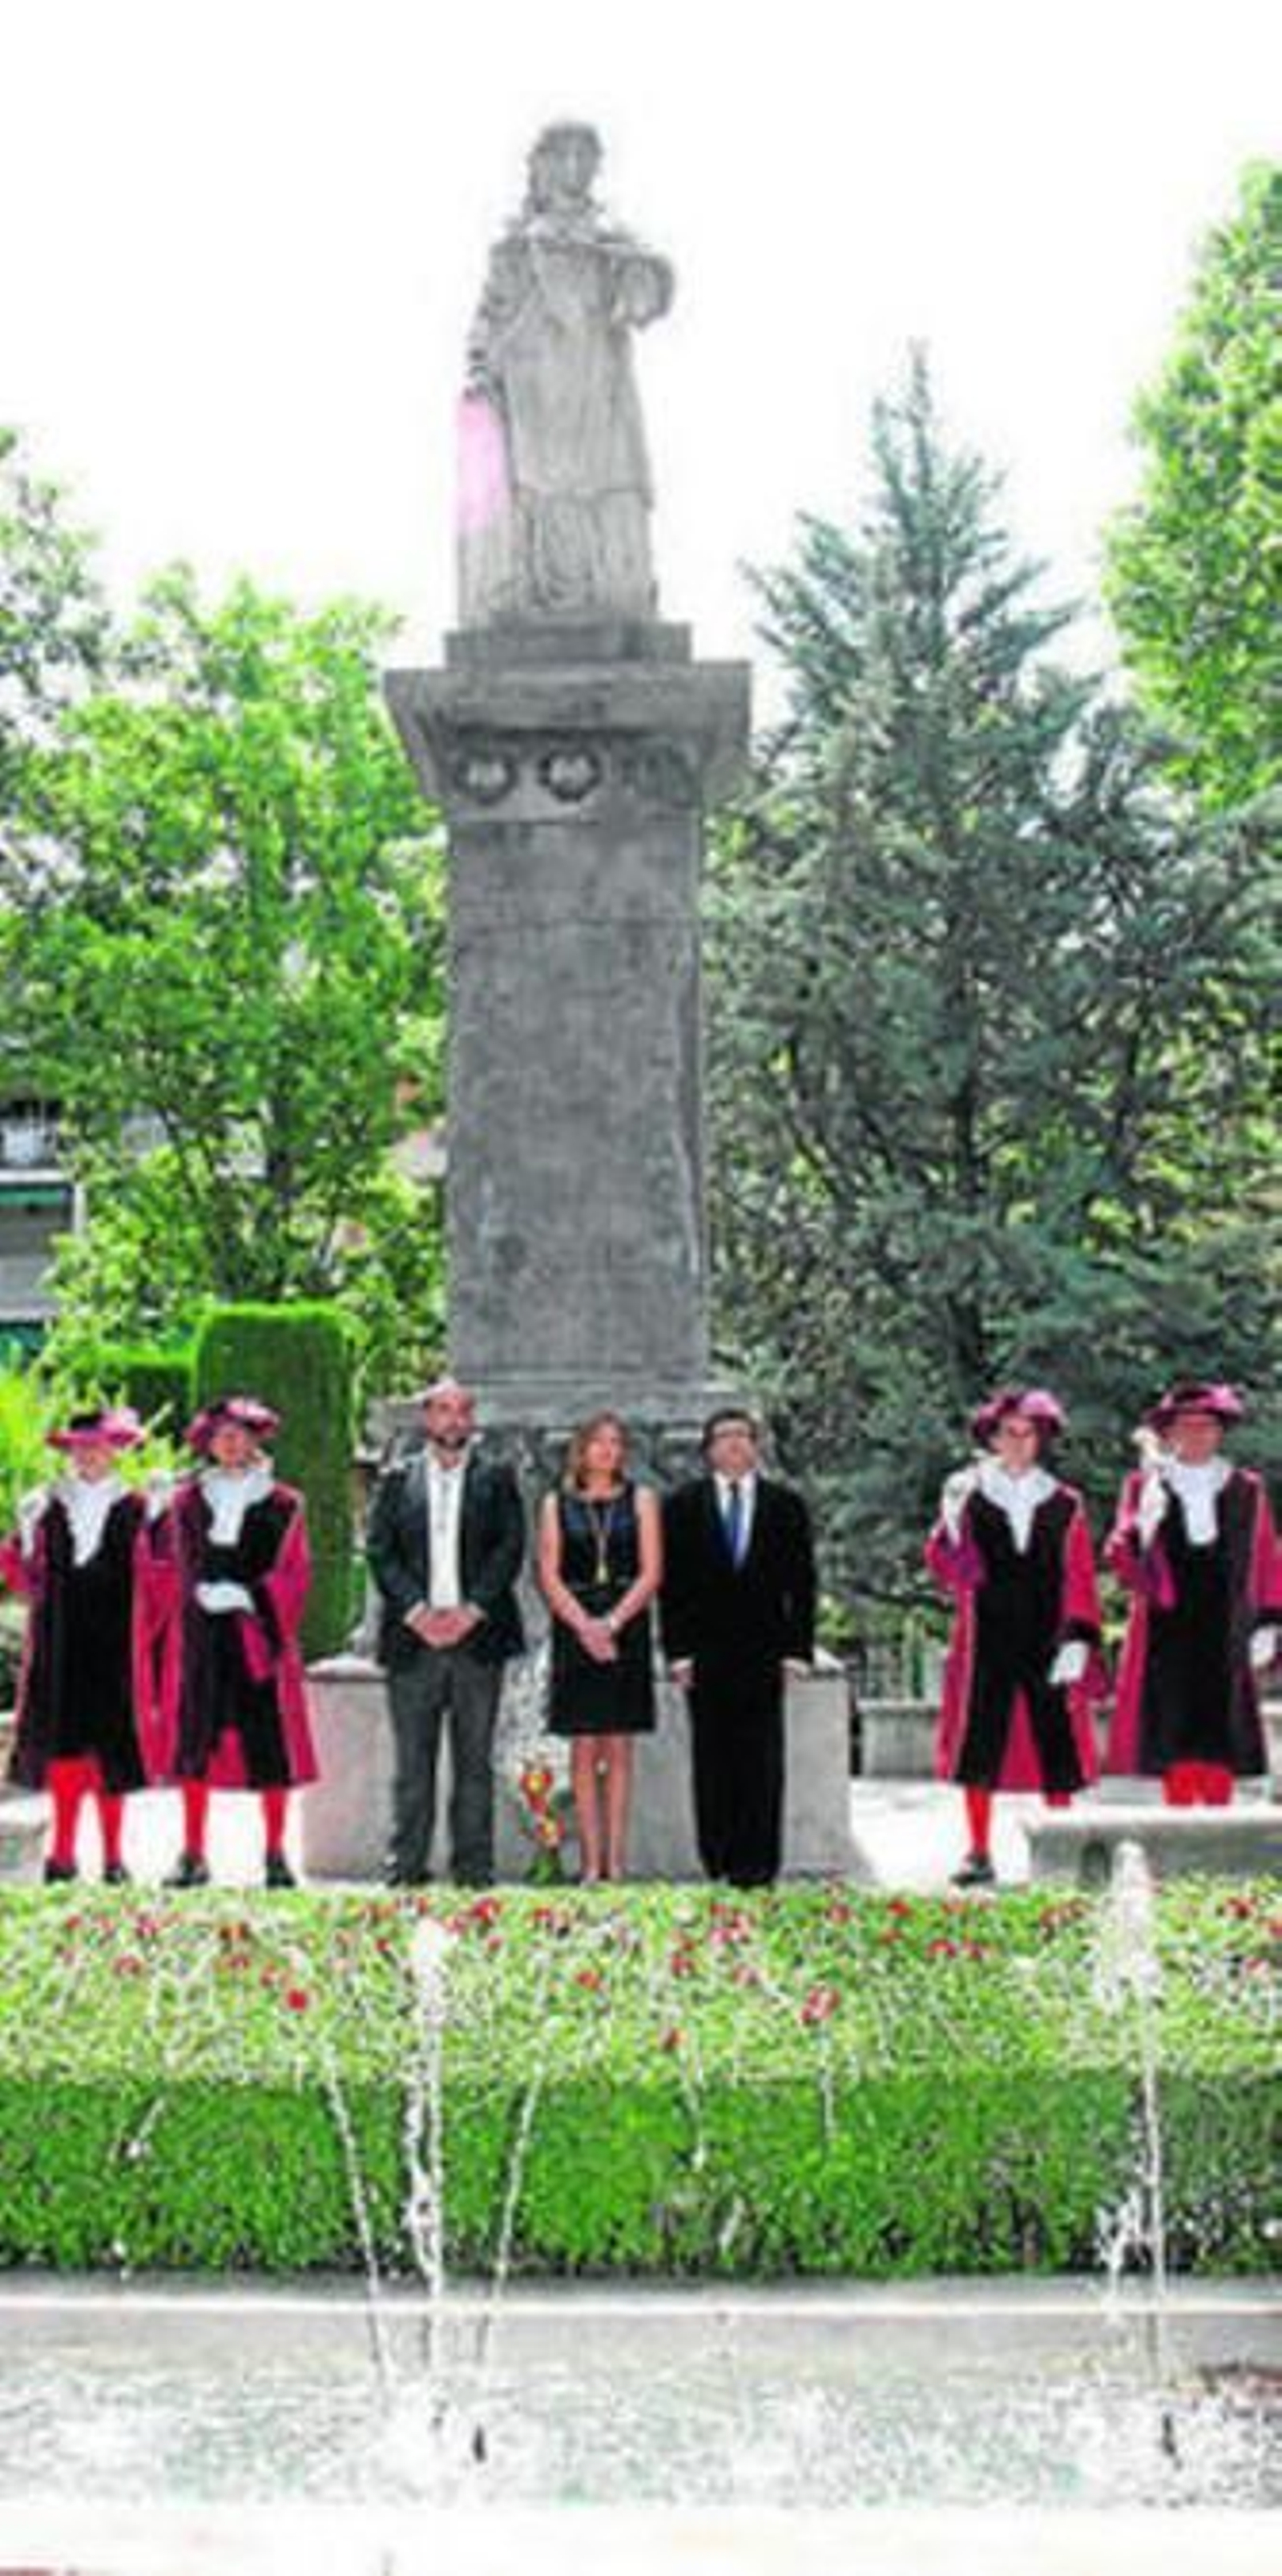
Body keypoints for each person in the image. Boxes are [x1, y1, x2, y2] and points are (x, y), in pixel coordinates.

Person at [458, 119, 674, 624]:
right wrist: (480, 367)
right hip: (532, 387)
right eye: (561, 156)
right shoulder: (515, 245)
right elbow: (490, 316)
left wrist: (634, 277)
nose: (573, 168)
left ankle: (614, 594)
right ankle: (536, 593)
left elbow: (648, 295)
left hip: (597, 384)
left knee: (610, 484)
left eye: (584, 157)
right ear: (539, 166)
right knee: (537, 487)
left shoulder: (611, 235)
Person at [926, 1387, 1104, 1888]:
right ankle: (979, 1851)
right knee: (980, 1741)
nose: (1019, 1443)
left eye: (1029, 1434)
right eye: (1010, 1433)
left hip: (1049, 1632)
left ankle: (1063, 1846)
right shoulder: (969, 1495)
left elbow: (1079, 1572)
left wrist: (1078, 1636)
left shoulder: (1065, 1502)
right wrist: (951, 1525)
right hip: (987, 1632)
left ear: (1041, 1440)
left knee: (1056, 1740)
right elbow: (947, 1567)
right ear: (994, 1438)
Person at [366, 1377, 524, 1887]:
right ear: (427, 1417)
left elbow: (509, 1549)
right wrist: (417, 1612)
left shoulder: (497, 1479)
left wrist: (470, 1611)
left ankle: (473, 1869)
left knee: (474, 1764)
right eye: (443, 1410)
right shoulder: (396, 1480)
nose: (453, 1420)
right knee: (413, 1765)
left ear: (471, 1420)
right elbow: (380, 1552)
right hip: (412, 1643)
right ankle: (406, 1866)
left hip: (478, 1640)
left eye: (462, 1411)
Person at [155, 1394, 316, 1889]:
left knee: (270, 1748)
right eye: (221, 1436)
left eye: (239, 1435)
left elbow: (296, 1573)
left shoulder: (283, 1504)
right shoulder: (185, 1503)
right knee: (194, 1746)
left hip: (257, 1640)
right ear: (208, 1444)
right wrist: (189, 1593)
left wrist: (251, 1598)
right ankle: (192, 1853)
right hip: (200, 1640)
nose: (230, 1443)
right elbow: (162, 1567)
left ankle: (276, 1854)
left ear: (254, 1441)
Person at [0, 1407, 162, 1885]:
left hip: (117, 1645)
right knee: (66, 1751)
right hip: (62, 1643)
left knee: (114, 1755)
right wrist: (25, 1536)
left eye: (98, 1446)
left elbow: (162, 1578)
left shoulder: (136, 1508)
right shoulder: (47, 1508)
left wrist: (159, 1525)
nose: (89, 1455)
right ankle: (63, 1854)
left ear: (115, 1451)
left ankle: (113, 1857)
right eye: (81, 1447)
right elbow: (25, 1583)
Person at [1105, 1380, 1281, 1804]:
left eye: (1206, 1426)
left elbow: (1265, 1557)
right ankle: (1181, 1820)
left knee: (1221, 1730)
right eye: (1185, 1426)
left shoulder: (1246, 1488)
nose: (1196, 1435)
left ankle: (1216, 1821)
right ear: (1168, 1433)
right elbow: (1121, 1559)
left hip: (1226, 1621)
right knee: (1171, 1729)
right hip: (1166, 1623)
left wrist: (1270, 1621)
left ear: (1220, 1432)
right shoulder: (1145, 1485)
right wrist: (1142, 1526)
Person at [660, 1407, 816, 1888]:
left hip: (764, 1652)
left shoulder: (785, 1505)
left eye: (743, 1435)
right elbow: (672, 1587)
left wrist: (798, 1651)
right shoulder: (682, 1506)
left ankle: (759, 1865)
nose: (734, 1443)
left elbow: (803, 1584)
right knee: (712, 1760)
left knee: (762, 1760)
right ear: (708, 1450)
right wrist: (677, 1652)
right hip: (705, 1655)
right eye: (724, 1436)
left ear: (756, 1445)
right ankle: (718, 1859)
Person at [538, 1410, 661, 1884]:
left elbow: (651, 1572)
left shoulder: (642, 1499)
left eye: (616, 1442)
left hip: (625, 1624)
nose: (608, 1450)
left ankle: (617, 1862)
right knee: (585, 1748)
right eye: (599, 1442)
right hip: (575, 1626)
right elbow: (549, 1575)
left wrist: (610, 1624)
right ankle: (591, 1864)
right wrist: (585, 1627)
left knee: (620, 1748)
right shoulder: (556, 1503)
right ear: (582, 1449)